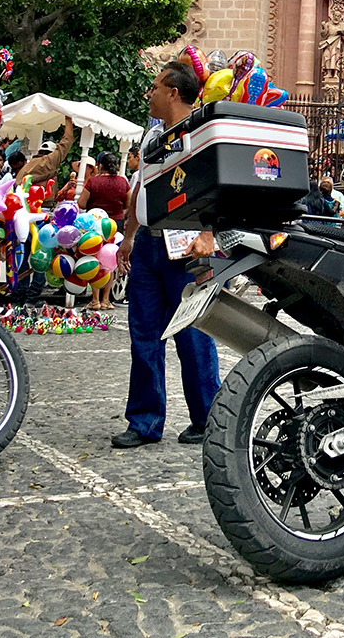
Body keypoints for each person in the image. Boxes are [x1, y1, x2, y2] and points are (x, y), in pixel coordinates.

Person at [111, 61, 220, 450]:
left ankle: (208, 419)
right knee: (143, 335)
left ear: (174, 92)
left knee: (193, 335)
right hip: (148, 246)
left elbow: (215, 188)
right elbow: (142, 189)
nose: (149, 94)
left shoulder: (205, 132)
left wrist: (208, 234)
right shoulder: (152, 137)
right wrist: (129, 236)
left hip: (187, 246)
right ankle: (144, 422)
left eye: (155, 87)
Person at [80, 150, 129, 310]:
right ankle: (106, 300)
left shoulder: (93, 182)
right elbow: (128, 204)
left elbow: (81, 203)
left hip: (95, 225)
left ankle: (95, 300)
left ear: (100, 165)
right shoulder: (122, 182)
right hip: (116, 226)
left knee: (95, 260)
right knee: (110, 261)